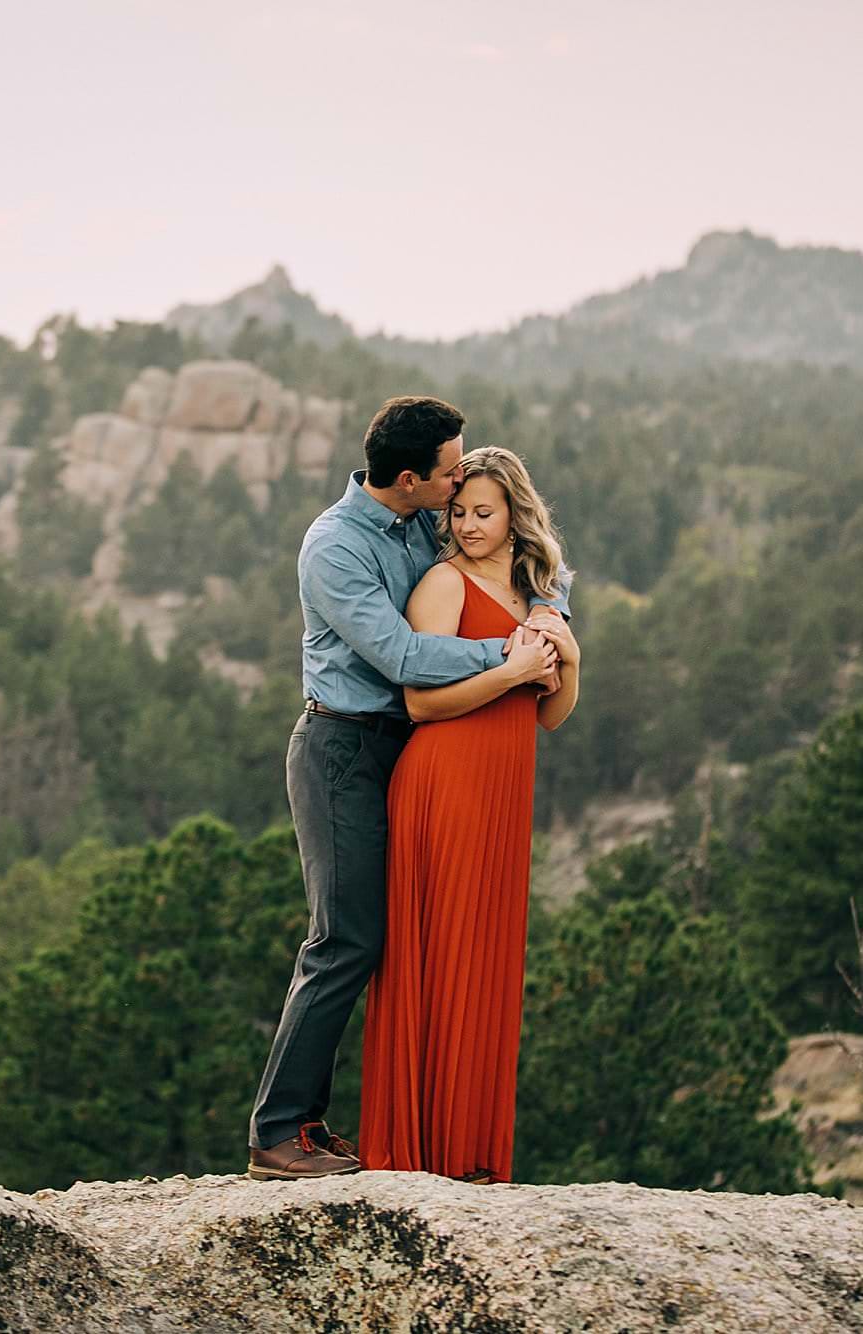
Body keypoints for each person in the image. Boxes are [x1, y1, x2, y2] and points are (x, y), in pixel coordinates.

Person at [247, 397, 568, 1181]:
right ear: (407, 478)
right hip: (342, 749)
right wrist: (515, 654)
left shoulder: (424, 521)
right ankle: (278, 1131)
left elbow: (527, 557)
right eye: (448, 473)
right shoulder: (336, 547)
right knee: (346, 938)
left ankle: (352, 1128)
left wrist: (551, 616)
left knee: (402, 941)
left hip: (413, 754)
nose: (458, 485)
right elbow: (405, 658)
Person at [358, 446, 579, 1184]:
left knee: (485, 962)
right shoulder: (442, 584)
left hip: (504, 795)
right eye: (458, 511)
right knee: (441, 959)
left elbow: (549, 717)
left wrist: (565, 665)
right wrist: (509, 670)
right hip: (445, 784)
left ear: (517, 513)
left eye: (483, 512)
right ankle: (423, 1155)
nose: (467, 524)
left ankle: (473, 1155)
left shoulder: (539, 596)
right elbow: (419, 703)